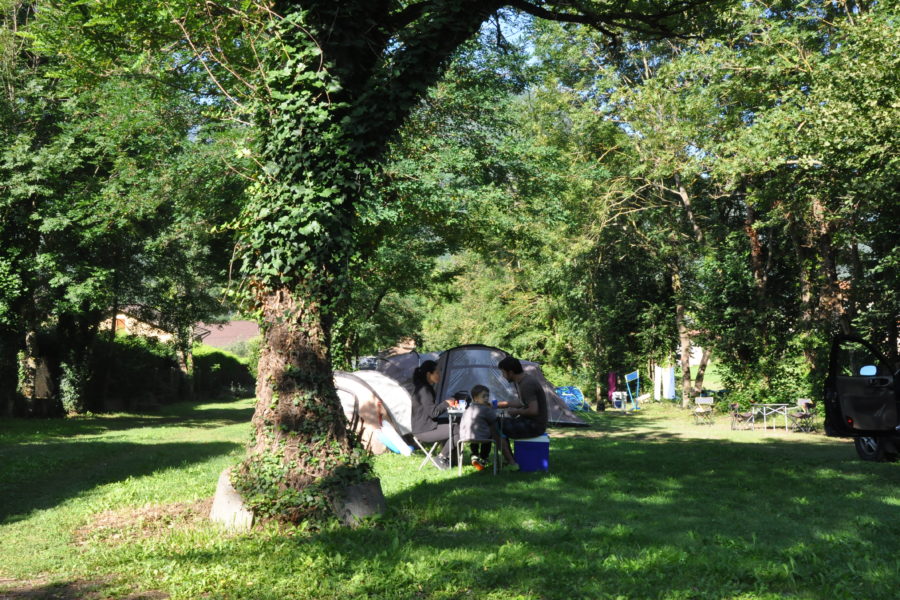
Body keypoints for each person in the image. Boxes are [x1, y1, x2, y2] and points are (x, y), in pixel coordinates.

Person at [496, 355, 548, 471]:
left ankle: (511, 462)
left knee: (495, 425)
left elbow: (534, 410)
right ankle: (509, 460)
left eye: (503, 373)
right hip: (530, 422)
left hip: (535, 426)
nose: (503, 376)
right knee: (497, 422)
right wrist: (501, 405)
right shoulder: (522, 381)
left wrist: (516, 412)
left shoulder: (527, 384)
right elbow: (522, 402)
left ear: (510, 372)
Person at [409, 360, 457, 470]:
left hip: (425, 427)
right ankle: (441, 457)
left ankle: (450, 460)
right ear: (428, 374)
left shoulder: (424, 388)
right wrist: (447, 403)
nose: (439, 375)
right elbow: (433, 412)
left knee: (455, 426)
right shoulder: (424, 390)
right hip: (423, 431)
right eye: (437, 373)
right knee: (458, 429)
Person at [459, 385, 502, 471]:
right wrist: (492, 409)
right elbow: (494, 418)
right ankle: (483, 457)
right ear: (475, 398)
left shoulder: (468, 409)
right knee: (489, 436)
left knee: (475, 434)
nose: (486, 398)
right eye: (484, 396)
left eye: (487, 396)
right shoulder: (485, 409)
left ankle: (474, 455)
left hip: (465, 437)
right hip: (482, 437)